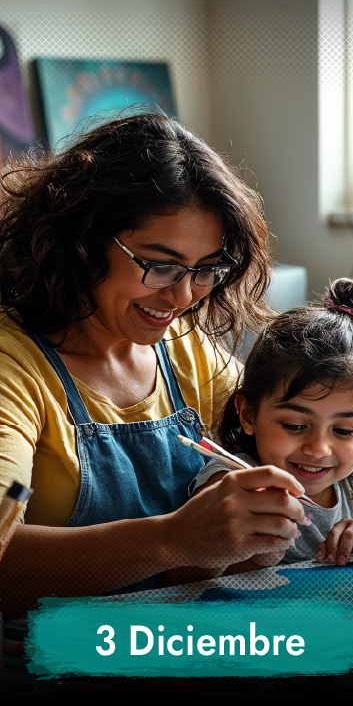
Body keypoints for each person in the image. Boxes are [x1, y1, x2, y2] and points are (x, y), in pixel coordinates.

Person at [0, 111, 307, 619]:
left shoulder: (185, 349)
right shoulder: (15, 365)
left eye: (206, 270)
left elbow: (279, 446)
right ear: (80, 241)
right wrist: (172, 541)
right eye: (159, 264)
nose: (182, 296)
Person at [190, 278, 353, 572]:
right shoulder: (232, 480)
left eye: (344, 431)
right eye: (294, 425)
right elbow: (192, 575)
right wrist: (248, 554)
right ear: (248, 415)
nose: (318, 449)